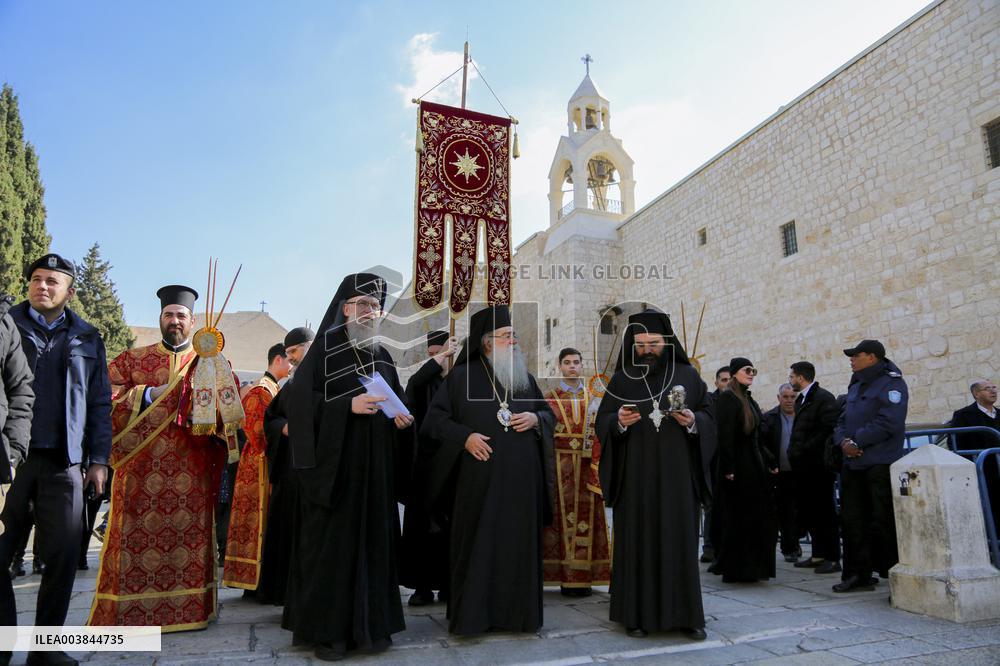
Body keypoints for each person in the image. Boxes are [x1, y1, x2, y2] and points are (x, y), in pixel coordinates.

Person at [282, 274, 412, 661]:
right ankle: (330, 634)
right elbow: (300, 410)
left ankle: (372, 629)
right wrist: (345, 407)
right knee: (332, 555)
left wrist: (403, 419)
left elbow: (398, 402)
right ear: (345, 308)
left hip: (375, 477)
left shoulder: (383, 356)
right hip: (334, 478)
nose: (371, 312)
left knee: (374, 548)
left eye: (376, 306)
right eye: (364, 305)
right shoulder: (322, 352)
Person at [89, 285, 231, 631]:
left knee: (188, 544)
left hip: (190, 472)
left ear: (192, 320)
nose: (175, 321)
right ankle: (127, 613)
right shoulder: (133, 359)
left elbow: (228, 420)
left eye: (181, 316)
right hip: (138, 471)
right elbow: (103, 396)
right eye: (169, 314)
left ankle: (190, 611)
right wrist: (146, 395)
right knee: (133, 544)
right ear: (161, 318)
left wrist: (209, 406)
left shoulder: (210, 363)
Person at [3, 254, 110, 666]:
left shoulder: (87, 337)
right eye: (36, 279)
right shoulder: (7, 325)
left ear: (69, 291)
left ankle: (44, 651)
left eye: (52, 281)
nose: (42, 286)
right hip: (11, 461)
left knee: (64, 558)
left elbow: (99, 401)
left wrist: (99, 459)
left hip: (66, 462)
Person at [423, 304, 555, 636]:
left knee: (517, 549)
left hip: (522, 485)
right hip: (478, 485)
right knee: (479, 548)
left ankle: (518, 617)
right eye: (507, 336)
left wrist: (537, 419)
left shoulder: (524, 377)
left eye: (514, 336)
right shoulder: (460, 377)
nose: (514, 342)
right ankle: (474, 618)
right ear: (486, 341)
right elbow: (434, 422)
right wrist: (465, 437)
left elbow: (549, 414)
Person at [595, 309, 713, 640]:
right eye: (641, 343)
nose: (647, 349)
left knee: (679, 544)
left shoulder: (689, 376)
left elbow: (708, 417)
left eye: (654, 342)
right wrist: (617, 421)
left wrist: (693, 422)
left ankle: (687, 616)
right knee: (638, 544)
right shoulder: (620, 379)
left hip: (677, 480)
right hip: (636, 480)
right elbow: (601, 422)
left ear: (667, 342)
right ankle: (637, 616)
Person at [832, 339, 907, 593]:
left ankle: (895, 578)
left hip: (879, 462)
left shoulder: (892, 383)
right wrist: (843, 441)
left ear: (872, 357)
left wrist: (857, 440)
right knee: (852, 520)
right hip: (853, 463)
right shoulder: (856, 383)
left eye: (856, 355)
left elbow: (889, 422)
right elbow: (842, 419)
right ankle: (858, 574)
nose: (851, 359)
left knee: (883, 521)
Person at [223, 342, 290, 593]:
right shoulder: (260, 390)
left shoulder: (273, 388)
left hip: (265, 461)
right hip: (258, 463)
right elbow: (255, 429)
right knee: (256, 523)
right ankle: (254, 581)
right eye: (289, 360)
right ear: (277, 360)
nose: (292, 365)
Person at [543, 347, 610, 597]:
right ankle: (563, 575)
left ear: (582, 366)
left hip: (588, 470)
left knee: (589, 519)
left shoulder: (594, 398)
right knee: (560, 522)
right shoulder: (549, 398)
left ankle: (586, 576)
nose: (572, 366)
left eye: (576, 362)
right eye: (567, 362)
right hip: (561, 470)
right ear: (559, 366)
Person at [399, 330, 457, 607]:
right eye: (432, 355)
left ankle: (448, 584)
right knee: (422, 531)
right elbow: (413, 385)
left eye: (442, 354)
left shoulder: (460, 382)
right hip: (424, 468)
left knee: (451, 530)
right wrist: (438, 361)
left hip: (453, 468)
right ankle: (422, 587)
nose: (439, 359)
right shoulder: (423, 383)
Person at [258, 327, 314, 606]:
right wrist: (284, 428)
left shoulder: (327, 376)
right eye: (288, 355)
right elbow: (271, 419)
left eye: (294, 352)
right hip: (291, 470)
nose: (291, 361)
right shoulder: (291, 384)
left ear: (310, 345)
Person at [713, 357, 777, 584]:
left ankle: (755, 568)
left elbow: (757, 436)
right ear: (734, 374)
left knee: (756, 519)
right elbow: (725, 436)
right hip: (739, 468)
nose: (751, 374)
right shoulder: (728, 399)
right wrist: (729, 468)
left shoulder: (748, 399)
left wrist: (769, 461)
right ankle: (738, 568)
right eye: (747, 370)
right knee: (739, 519)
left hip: (754, 466)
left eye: (753, 370)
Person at [787, 361, 841, 574]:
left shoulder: (822, 398)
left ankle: (833, 557)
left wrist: (804, 449)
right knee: (812, 512)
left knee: (825, 512)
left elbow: (827, 430)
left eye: (792, 377)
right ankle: (819, 554)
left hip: (819, 466)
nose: (790, 381)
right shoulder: (804, 399)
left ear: (800, 377)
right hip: (805, 467)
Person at [761, 383, 802, 563]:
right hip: (779, 472)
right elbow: (762, 442)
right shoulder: (769, 418)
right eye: (785, 397)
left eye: (792, 397)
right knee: (785, 512)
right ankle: (789, 547)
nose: (789, 401)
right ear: (779, 398)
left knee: (800, 511)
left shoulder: (803, 416)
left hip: (801, 471)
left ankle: (796, 541)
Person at [700, 366, 731, 564]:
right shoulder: (710, 402)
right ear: (717, 382)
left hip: (732, 460)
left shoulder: (742, 400)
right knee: (712, 505)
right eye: (723, 380)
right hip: (713, 461)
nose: (727, 383)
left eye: (730, 379)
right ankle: (710, 547)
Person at [950, 380, 999, 450]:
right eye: (987, 389)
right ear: (976, 394)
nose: (993, 391)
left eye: (994, 387)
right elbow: (954, 443)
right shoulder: (963, 415)